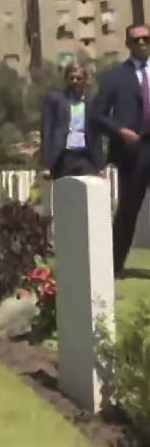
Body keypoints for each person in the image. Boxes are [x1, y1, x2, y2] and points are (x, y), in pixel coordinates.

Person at [92, 22, 150, 277]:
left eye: (146, 39)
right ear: (128, 44)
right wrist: (120, 131)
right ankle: (113, 269)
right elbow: (96, 115)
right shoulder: (113, 77)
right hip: (133, 152)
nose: (142, 44)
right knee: (128, 211)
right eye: (136, 40)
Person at [40, 63, 103, 180]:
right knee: (65, 194)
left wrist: (100, 166)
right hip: (63, 156)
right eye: (72, 78)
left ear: (84, 80)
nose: (75, 81)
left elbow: (96, 135)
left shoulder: (91, 102)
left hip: (85, 156)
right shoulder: (55, 100)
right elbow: (47, 132)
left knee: (88, 192)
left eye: (79, 78)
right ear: (66, 80)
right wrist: (46, 165)